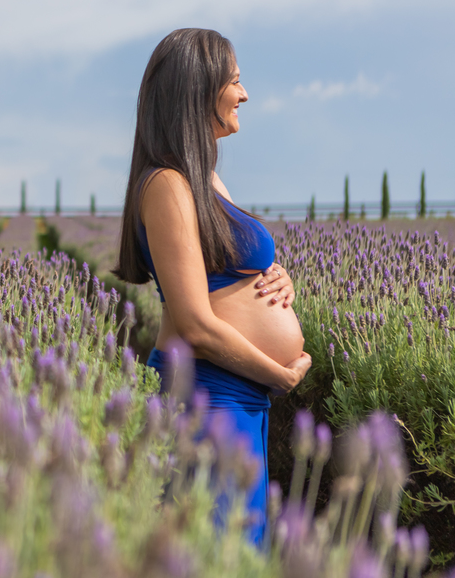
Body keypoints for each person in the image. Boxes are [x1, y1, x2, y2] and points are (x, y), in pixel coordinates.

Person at [114, 28, 311, 546]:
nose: (244, 94)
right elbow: (196, 325)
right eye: (235, 82)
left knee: (241, 549)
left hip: (238, 397)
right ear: (198, 88)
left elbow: (222, 262)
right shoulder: (167, 184)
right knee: (218, 551)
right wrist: (279, 375)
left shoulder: (202, 177)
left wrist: (273, 275)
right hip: (209, 397)